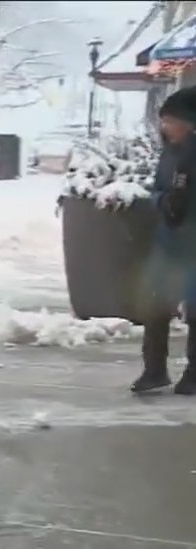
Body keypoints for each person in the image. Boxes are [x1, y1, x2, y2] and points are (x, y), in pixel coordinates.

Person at [132, 87, 196, 395]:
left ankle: (194, 374)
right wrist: (164, 201)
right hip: (169, 242)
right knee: (155, 305)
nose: (165, 126)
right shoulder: (169, 154)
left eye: (170, 120)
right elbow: (156, 190)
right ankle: (154, 370)